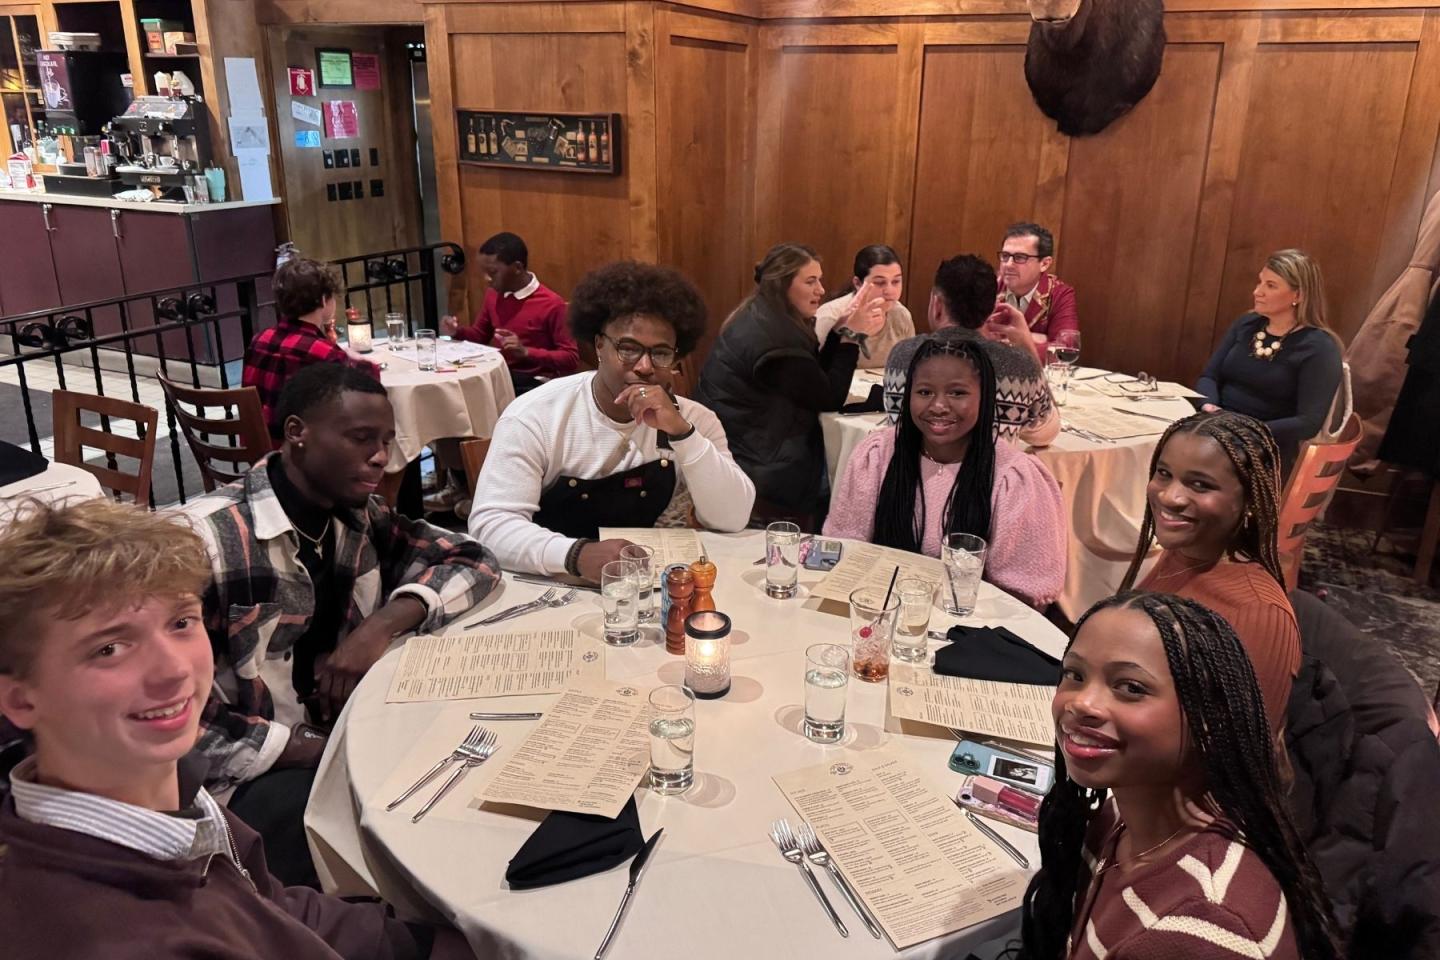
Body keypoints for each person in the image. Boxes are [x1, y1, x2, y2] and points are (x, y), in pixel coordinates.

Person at [0, 499, 473, 959]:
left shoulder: (166, 794)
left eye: (181, 622)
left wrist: (427, 946)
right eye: (109, 649)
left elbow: (267, 906)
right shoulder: (111, 936)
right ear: (20, 700)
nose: (174, 670)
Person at [182, 363, 501, 882]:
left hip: (338, 727)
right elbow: (166, 722)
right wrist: (309, 747)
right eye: (359, 439)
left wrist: (379, 626)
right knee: (410, 834)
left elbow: (473, 558)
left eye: (387, 440)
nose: (381, 456)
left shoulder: (354, 516)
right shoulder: (207, 542)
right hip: (240, 775)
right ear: (296, 434)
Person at [1019, 591, 1341, 960]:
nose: (1081, 703)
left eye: (1131, 687)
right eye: (1074, 674)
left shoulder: (1202, 929)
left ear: (1209, 721)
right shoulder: (1119, 816)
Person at [469, 261, 754, 580]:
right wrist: (576, 554)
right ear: (599, 345)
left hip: (647, 589)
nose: (645, 366)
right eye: (628, 348)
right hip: (555, 584)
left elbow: (733, 518)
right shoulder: (536, 415)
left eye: (660, 353)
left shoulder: (693, 420)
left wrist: (684, 435)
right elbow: (491, 527)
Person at [824, 337, 1066, 609]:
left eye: (957, 393)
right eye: (925, 392)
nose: (939, 405)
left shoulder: (1012, 477)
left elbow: (1023, 595)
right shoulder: (879, 455)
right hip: (879, 610)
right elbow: (846, 548)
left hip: (971, 629)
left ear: (984, 397)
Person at [1119, 411, 1298, 731]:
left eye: (1200, 485)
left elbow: (1241, 758)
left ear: (1251, 502)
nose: (1169, 496)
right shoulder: (1184, 551)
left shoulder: (1259, 614)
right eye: (1164, 473)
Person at [695, 242, 887, 526]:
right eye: (811, 281)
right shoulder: (774, 341)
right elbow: (828, 397)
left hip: (746, 444)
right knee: (851, 476)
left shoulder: (764, 317)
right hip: (759, 463)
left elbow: (813, 379)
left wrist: (839, 332)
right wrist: (851, 338)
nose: (821, 289)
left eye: (819, 280)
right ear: (782, 285)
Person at [885, 254, 1059, 447]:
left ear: (937, 305)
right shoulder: (1019, 366)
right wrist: (1025, 344)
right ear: (993, 308)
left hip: (909, 475)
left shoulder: (902, 356)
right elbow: (1047, 433)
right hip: (990, 476)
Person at [1196, 249, 1343, 476]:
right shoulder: (1247, 324)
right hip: (1217, 425)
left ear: (1299, 295)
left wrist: (1242, 431)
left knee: (1193, 470)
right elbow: (1209, 376)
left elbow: (1308, 422)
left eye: (1271, 286)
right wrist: (1209, 407)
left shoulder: (1319, 347)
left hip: (1265, 443)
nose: (1257, 292)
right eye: (1260, 282)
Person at [243, 256, 382, 440]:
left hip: (260, 451)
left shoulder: (258, 340)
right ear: (324, 300)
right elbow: (368, 393)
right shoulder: (324, 353)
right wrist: (365, 363)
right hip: (304, 459)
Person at [439, 231, 579, 395]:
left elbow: (571, 358)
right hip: (501, 374)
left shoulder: (552, 304)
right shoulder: (494, 295)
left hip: (535, 383)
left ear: (517, 268)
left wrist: (526, 352)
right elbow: (480, 335)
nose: (487, 279)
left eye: (492, 272)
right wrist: (457, 331)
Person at [812, 244, 915, 369]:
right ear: (858, 283)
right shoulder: (830, 317)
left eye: (896, 281)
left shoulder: (901, 315)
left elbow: (908, 369)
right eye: (880, 282)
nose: (890, 290)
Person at [998, 222, 1078, 342]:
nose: (1008, 264)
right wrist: (1039, 339)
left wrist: (1017, 339)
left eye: (1020, 257)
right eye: (1005, 256)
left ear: (1044, 264)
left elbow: (1066, 348)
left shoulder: (1060, 294)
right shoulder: (988, 285)